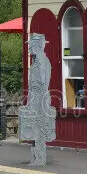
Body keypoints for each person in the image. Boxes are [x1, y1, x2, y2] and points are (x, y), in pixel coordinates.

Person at [19, 33, 56, 165]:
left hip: (40, 99)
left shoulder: (42, 61)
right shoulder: (36, 61)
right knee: (34, 128)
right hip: (35, 98)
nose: (29, 49)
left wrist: (41, 100)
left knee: (39, 128)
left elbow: (43, 83)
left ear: (37, 45)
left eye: (30, 46)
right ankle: (35, 158)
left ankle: (39, 159)